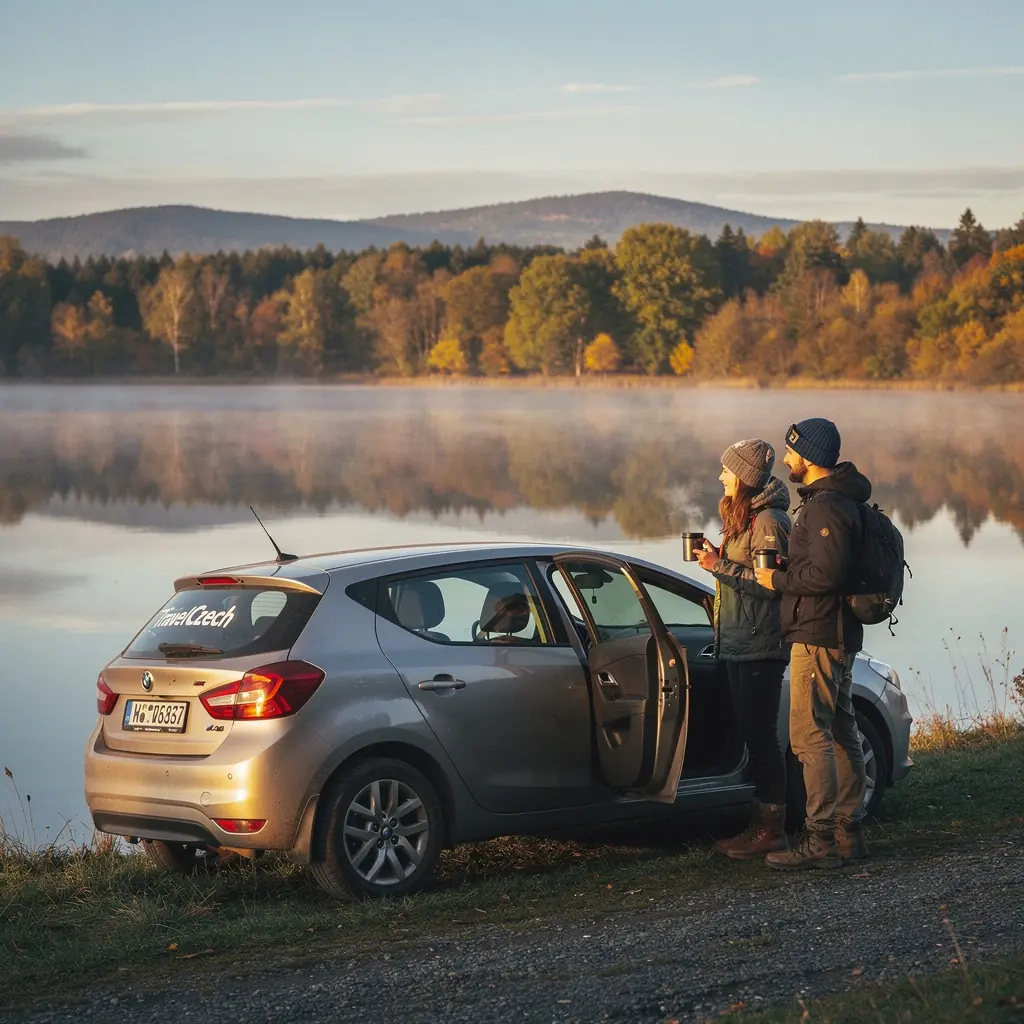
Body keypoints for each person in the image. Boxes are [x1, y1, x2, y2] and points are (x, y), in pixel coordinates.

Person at [754, 417, 870, 870]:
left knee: (809, 736)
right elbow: (824, 565)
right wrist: (791, 563)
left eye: (791, 452)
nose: (786, 459)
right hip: (834, 632)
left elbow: (826, 575)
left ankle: (820, 838)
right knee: (842, 731)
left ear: (810, 457)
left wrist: (776, 577)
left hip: (819, 633)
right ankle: (850, 833)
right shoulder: (835, 501)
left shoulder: (825, 506)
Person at [695, 438, 792, 859]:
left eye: (726, 471)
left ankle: (772, 827)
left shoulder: (769, 522)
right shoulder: (745, 517)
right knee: (751, 736)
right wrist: (719, 557)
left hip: (760, 646)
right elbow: (748, 573)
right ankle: (759, 822)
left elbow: (770, 588)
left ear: (746, 478)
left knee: (762, 738)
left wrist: (718, 566)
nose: (720, 477)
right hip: (737, 643)